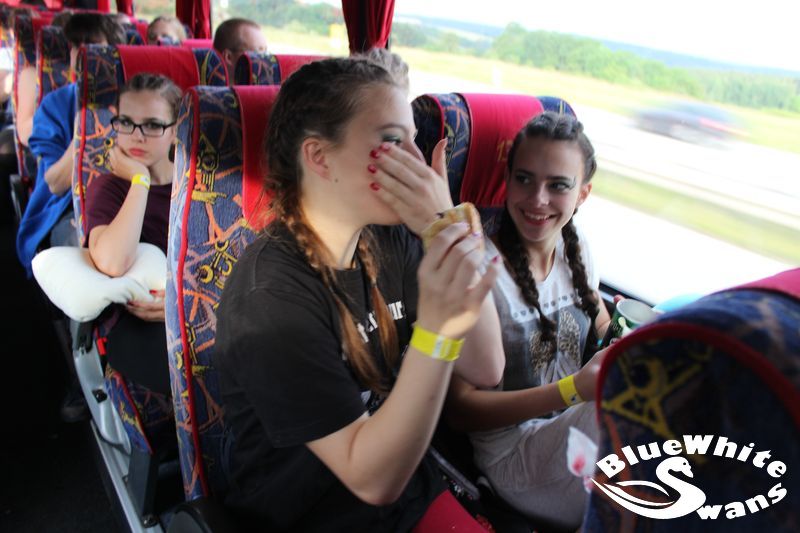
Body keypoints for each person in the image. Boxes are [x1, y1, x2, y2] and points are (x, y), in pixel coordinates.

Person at [214, 49, 505, 532]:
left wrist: (446, 226)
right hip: (312, 513)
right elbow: (371, 481)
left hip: (408, 489)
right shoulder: (269, 295)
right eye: (392, 141)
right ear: (319, 157)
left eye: (414, 141)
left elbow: (486, 366)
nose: (417, 162)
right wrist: (437, 329)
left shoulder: (390, 240)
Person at [444, 112, 613, 530]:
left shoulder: (577, 247)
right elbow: (459, 412)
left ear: (583, 193)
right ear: (507, 180)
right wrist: (573, 390)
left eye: (558, 185)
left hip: (568, 432)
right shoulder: (479, 270)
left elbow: (601, 321)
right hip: (513, 456)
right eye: (524, 179)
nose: (537, 199)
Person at [84, 73, 181, 398]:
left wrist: (181, 305)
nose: (137, 136)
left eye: (153, 125)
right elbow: (113, 263)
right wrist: (139, 180)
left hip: (195, 310)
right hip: (136, 324)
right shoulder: (109, 188)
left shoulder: (202, 185)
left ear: (176, 130)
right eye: (126, 123)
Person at [15, 13, 125, 277]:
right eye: (76, 45)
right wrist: (85, 128)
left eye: (92, 44)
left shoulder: (136, 101)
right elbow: (54, 183)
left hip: (128, 203)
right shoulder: (56, 104)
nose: (82, 52)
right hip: (68, 208)